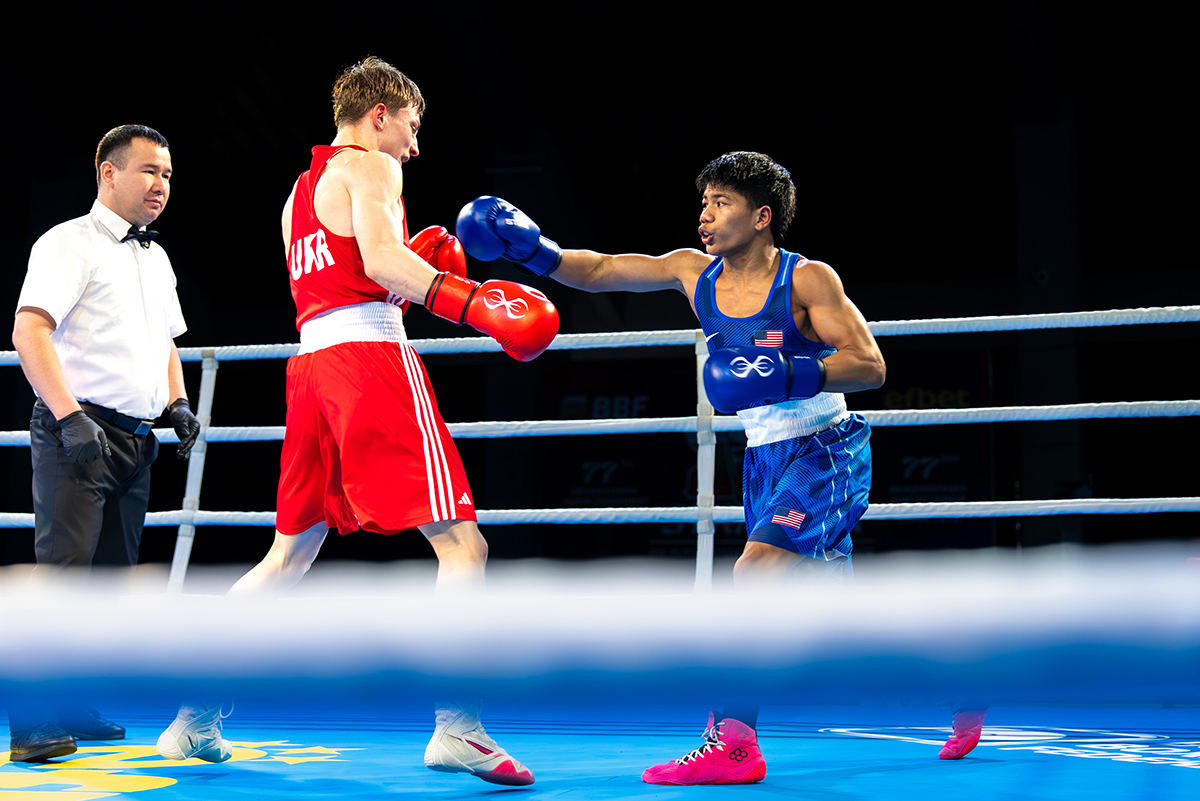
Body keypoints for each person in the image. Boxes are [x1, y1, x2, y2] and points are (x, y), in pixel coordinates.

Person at [154, 57, 554, 786]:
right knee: (464, 544)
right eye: (411, 124)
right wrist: (467, 299)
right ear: (379, 114)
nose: (414, 144)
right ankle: (458, 728)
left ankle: (192, 716)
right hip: (369, 361)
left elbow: (339, 286)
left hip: (309, 372)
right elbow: (380, 263)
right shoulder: (371, 170)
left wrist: (404, 281)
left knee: (288, 557)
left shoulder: (298, 193)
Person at [456, 151, 887, 784]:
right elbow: (603, 270)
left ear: (762, 216)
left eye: (722, 203)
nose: (706, 216)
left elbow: (871, 364)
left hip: (825, 448)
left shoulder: (807, 280)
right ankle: (964, 679)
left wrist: (797, 369)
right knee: (834, 618)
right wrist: (534, 252)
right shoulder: (695, 273)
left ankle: (733, 744)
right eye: (705, 202)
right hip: (766, 458)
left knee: (754, 574)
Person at [9, 124, 200, 763]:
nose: (160, 186)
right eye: (148, 171)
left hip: (135, 440)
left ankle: (73, 704)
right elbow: (29, 331)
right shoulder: (69, 242)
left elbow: (164, 343)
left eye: (167, 175)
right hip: (76, 431)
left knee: (109, 588)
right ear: (109, 174)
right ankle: (32, 723)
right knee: (64, 578)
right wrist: (68, 418)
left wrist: (176, 402)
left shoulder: (156, 257)